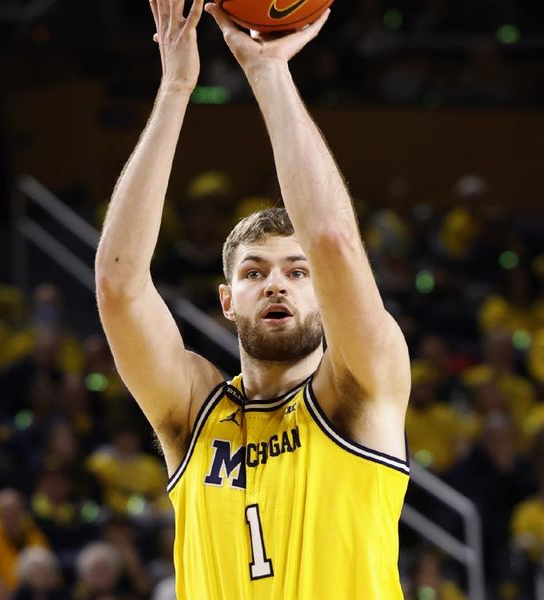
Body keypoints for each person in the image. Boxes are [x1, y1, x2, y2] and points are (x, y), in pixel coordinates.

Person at [94, 1, 411, 597]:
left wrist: (268, 72)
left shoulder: (362, 388)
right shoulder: (193, 414)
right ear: (226, 301)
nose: (276, 283)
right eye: (255, 273)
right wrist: (175, 89)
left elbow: (335, 242)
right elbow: (117, 287)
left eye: (297, 272)